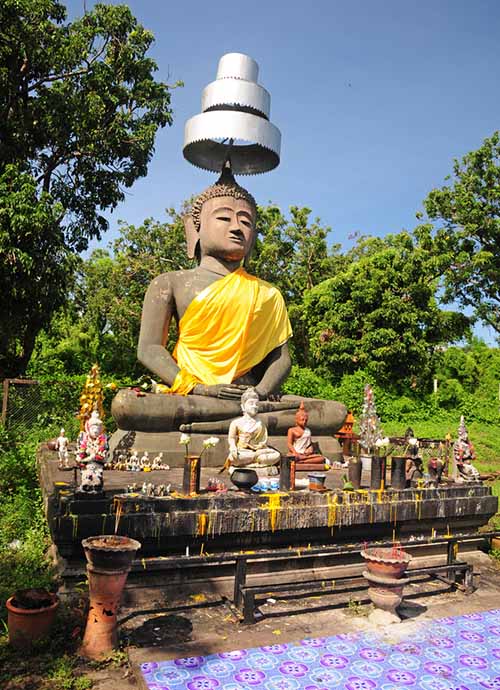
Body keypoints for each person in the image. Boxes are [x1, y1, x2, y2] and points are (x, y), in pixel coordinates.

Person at [112, 167, 346, 436]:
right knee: (126, 405)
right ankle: (233, 421)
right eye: (224, 218)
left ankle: (225, 420)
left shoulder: (268, 293)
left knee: (333, 412)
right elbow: (150, 349)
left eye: (246, 222)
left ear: (253, 236)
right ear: (194, 229)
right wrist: (200, 388)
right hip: (191, 394)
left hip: (252, 398)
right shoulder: (170, 283)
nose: (236, 227)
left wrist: (256, 394)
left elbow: (281, 360)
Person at [227, 388, 280, 470]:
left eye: (256, 404)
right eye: (251, 403)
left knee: (276, 455)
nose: (254, 406)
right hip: (243, 452)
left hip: (259, 452)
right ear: (243, 406)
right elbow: (231, 438)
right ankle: (255, 460)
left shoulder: (261, 423)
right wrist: (233, 447)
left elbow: (263, 442)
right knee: (232, 457)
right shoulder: (236, 423)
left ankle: (253, 460)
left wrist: (261, 450)